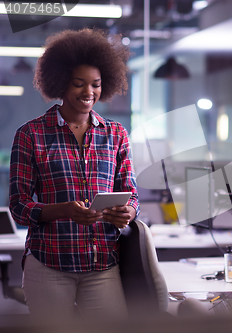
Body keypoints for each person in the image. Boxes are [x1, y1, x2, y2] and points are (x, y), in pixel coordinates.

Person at [9, 28, 139, 323]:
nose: (88, 92)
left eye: (95, 84)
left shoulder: (116, 134)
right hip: (49, 264)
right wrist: (63, 211)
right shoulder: (31, 134)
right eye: (79, 83)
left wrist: (126, 211)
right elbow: (18, 206)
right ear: (61, 83)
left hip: (102, 263)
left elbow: (130, 193)